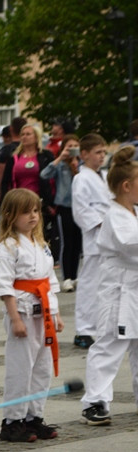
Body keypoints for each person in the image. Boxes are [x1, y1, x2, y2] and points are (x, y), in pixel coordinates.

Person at [0, 189, 63, 442]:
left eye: (35, 211)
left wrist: (56, 315)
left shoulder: (41, 245)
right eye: (26, 212)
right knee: (20, 369)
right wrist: (15, 319)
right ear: (10, 215)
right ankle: (13, 421)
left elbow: (50, 282)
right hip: (22, 312)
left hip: (43, 311)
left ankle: (34, 417)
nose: (33, 216)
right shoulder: (8, 247)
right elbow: (4, 286)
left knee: (42, 368)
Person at [79, 146, 138, 426]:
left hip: (135, 290)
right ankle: (95, 401)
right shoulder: (115, 215)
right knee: (109, 345)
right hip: (119, 292)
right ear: (127, 186)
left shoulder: (134, 212)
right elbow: (129, 244)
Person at [71, 133, 112, 350]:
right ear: (84, 154)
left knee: (108, 284)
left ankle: (104, 325)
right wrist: (103, 222)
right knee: (89, 285)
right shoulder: (81, 178)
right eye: (97, 152)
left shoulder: (105, 176)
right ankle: (84, 330)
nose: (101, 156)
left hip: (113, 238)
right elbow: (81, 210)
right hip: (96, 237)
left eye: (104, 152)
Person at [40, 134, 81, 292]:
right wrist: (60, 158)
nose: (72, 149)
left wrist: (77, 164)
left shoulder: (82, 164)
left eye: (75, 146)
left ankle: (75, 276)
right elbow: (44, 174)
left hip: (79, 207)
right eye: (69, 146)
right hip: (64, 207)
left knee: (78, 243)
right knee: (67, 242)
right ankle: (67, 277)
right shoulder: (60, 164)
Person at [0, 116, 28, 204]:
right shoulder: (31, 149)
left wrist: (0, 198)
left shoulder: (6, 151)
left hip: (13, 196)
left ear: (11, 129)